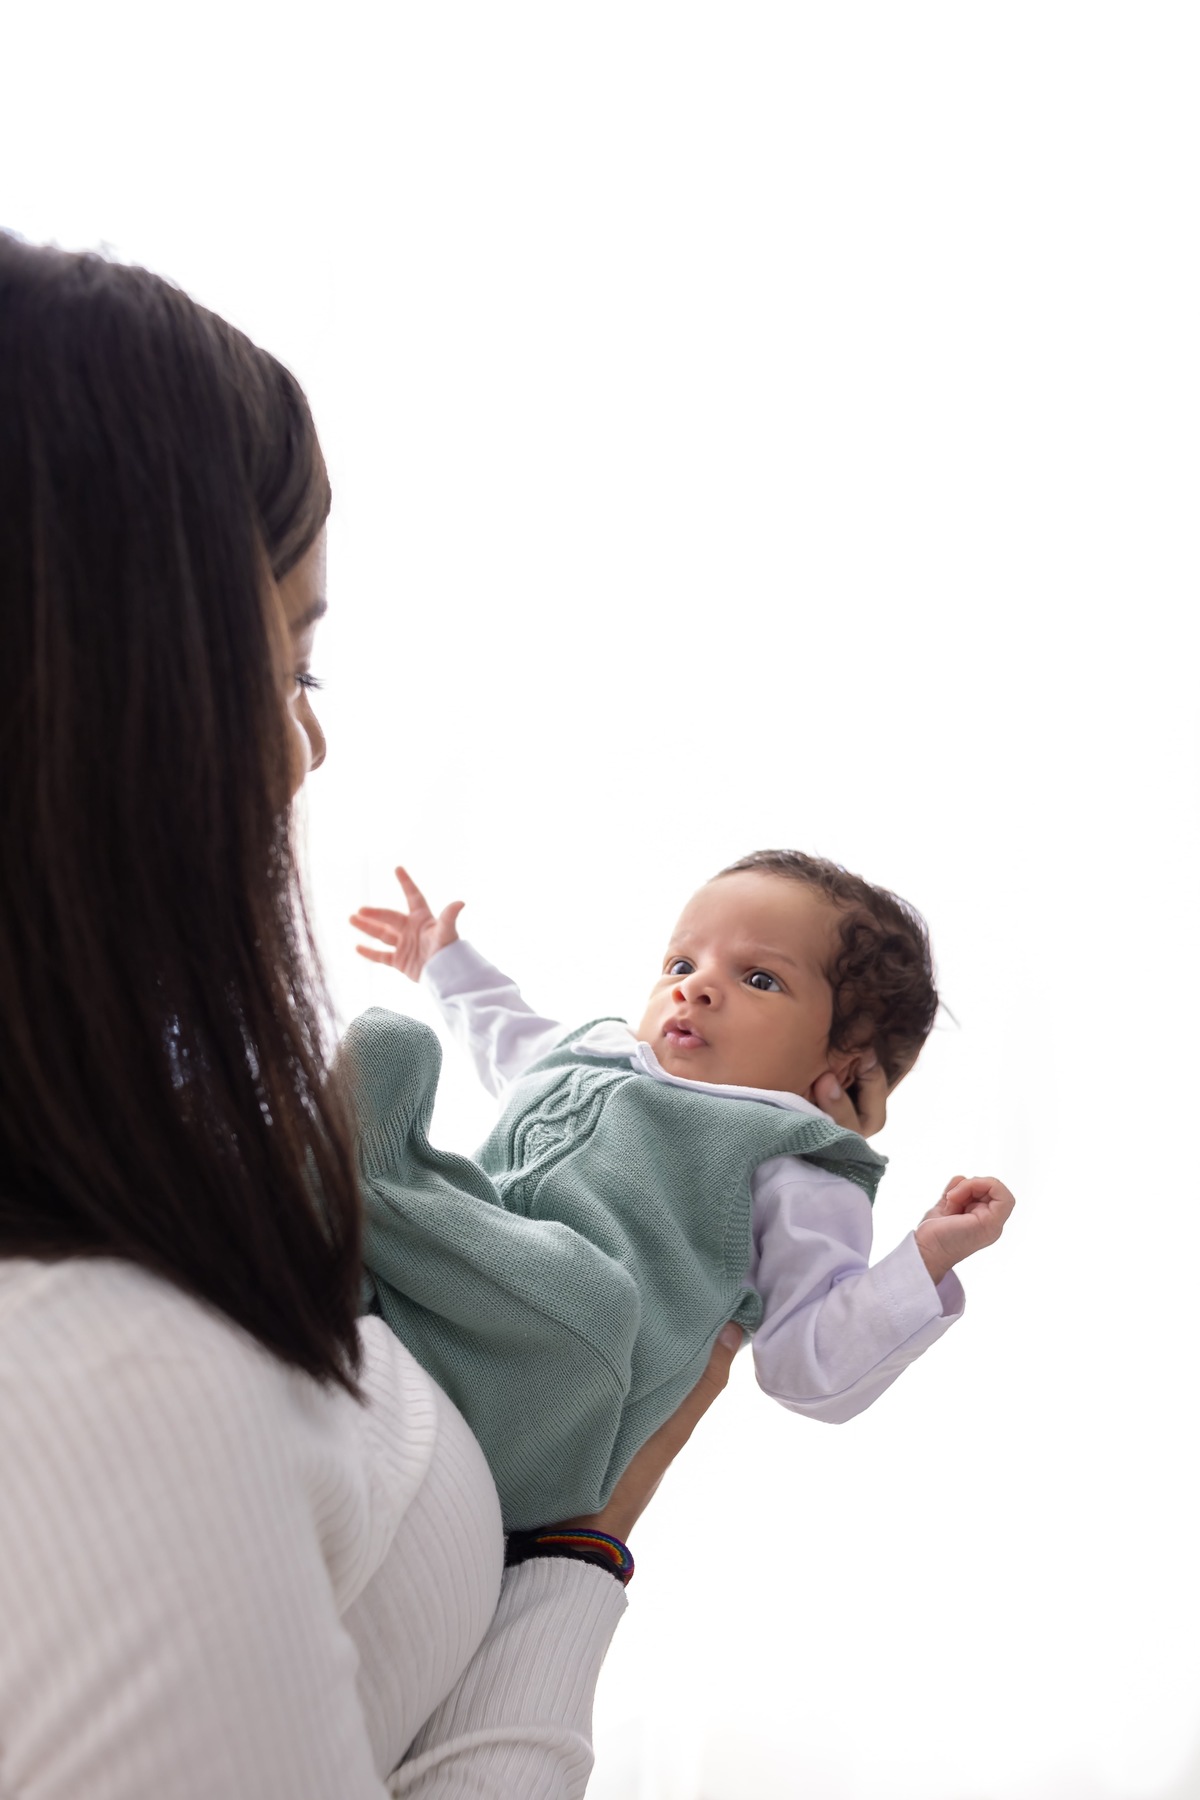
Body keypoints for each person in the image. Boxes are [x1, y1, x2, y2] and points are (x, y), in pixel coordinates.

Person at [0, 234, 770, 1799]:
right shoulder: (105, 1376)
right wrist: (578, 1560)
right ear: (86, 695)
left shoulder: (134, 1185)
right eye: (284, 663)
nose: (304, 755)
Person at [347, 857, 1015, 1527]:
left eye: (759, 979)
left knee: (590, 1288)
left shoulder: (796, 1165)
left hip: (550, 1399)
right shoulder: (592, 1050)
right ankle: (347, 1219)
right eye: (681, 964)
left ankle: (361, 1192)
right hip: (428, 1310)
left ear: (843, 1060)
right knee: (393, 1048)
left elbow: (807, 1360)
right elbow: (502, 1029)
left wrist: (924, 1259)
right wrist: (441, 961)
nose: (696, 989)